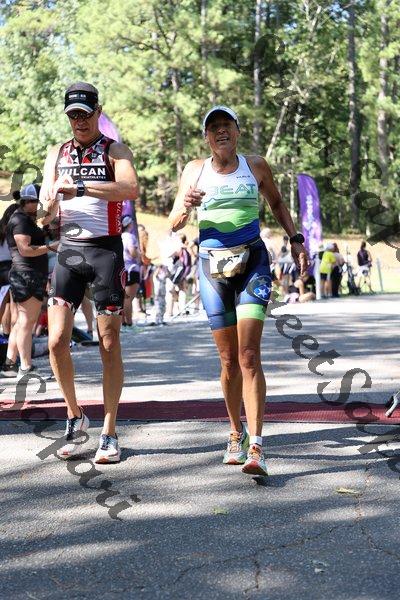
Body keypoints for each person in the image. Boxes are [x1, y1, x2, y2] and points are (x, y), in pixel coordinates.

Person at [169, 105, 307, 476]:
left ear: (237, 131)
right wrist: (186, 206)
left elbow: (277, 202)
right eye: (213, 127)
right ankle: (235, 432)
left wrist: (296, 239)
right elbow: (174, 222)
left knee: (248, 354)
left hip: (252, 263)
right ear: (206, 137)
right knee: (228, 359)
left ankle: (257, 445)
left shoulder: (256, 166)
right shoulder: (194, 170)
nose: (221, 132)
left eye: (226, 125)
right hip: (212, 267)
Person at [40, 82, 139, 463]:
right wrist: (48, 206)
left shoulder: (115, 150)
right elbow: (46, 213)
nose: (79, 121)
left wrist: (80, 187)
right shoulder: (56, 153)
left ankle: (109, 432)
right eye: (73, 115)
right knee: (55, 341)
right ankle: (74, 416)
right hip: (69, 251)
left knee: (108, 342)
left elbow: (129, 189)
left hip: (104, 251)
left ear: (98, 112)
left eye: (85, 113)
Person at [6, 185, 53, 379]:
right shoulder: (20, 220)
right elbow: (24, 249)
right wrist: (51, 247)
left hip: (28, 275)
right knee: (27, 322)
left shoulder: (25, 218)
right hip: (27, 275)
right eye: (38, 202)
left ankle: (10, 363)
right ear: (28, 202)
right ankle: (25, 367)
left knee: (21, 322)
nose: (41, 206)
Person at [0, 202, 20, 377]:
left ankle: (6, 339)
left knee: (5, 306)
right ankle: (10, 344)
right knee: (15, 311)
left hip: (2, 270)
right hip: (11, 269)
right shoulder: (15, 228)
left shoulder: (2, 229)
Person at [121, 215, 140, 328]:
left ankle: (123, 323)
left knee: (123, 298)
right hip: (131, 269)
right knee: (128, 298)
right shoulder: (130, 237)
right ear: (129, 224)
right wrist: (139, 255)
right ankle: (129, 323)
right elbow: (132, 252)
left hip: (121, 269)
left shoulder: (119, 236)